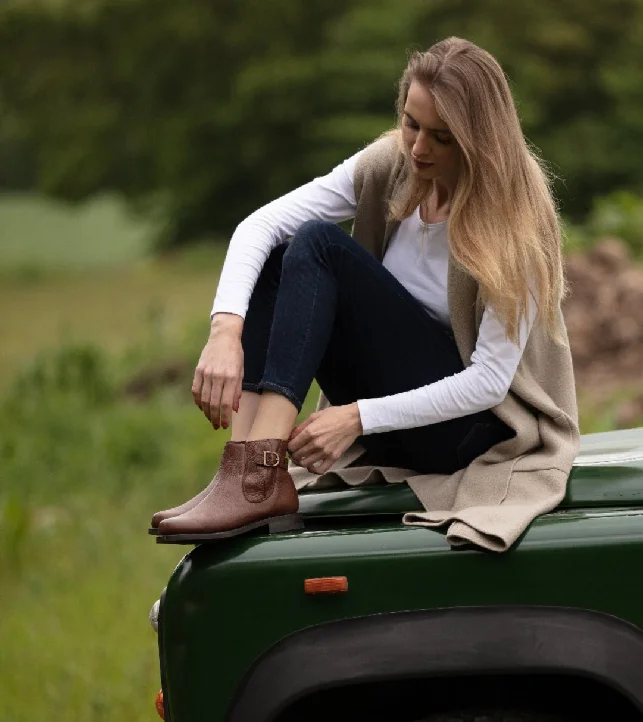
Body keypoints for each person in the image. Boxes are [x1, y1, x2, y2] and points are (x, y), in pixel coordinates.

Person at [151, 37, 580, 552]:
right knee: (278, 254)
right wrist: (225, 331)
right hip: (392, 411)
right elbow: (259, 224)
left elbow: (489, 382)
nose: (419, 148)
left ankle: (258, 476)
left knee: (319, 245)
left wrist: (355, 417)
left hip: (466, 432)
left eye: (443, 137)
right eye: (411, 123)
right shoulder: (392, 163)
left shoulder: (515, 214)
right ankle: (244, 472)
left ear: (479, 139)